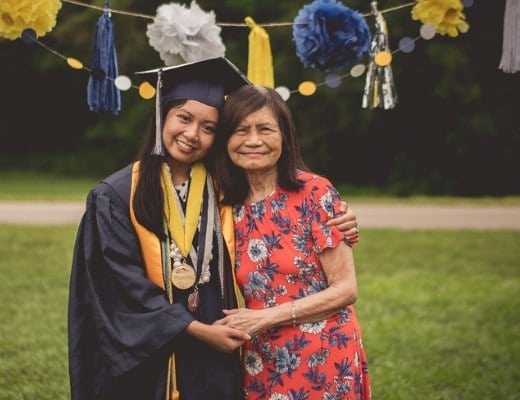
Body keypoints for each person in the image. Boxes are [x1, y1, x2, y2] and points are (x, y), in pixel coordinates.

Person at [67, 57, 360, 400]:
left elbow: (290, 216)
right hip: (151, 363)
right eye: (184, 118)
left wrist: (344, 222)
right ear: (163, 114)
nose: (192, 134)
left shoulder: (224, 190)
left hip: (221, 361)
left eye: (208, 128)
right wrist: (196, 330)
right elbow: (117, 285)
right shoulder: (116, 196)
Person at [213, 84, 371, 400]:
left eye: (265, 129)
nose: (253, 140)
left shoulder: (314, 193)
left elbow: (345, 289)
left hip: (324, 355)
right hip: (261, 358)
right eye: (241, 130)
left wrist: (263, 318)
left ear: (284, 137)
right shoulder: (224, 205)